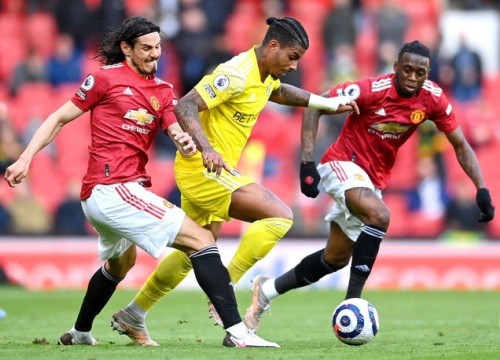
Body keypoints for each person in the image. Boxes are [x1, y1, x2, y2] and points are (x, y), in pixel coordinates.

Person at [4, 16, 279, 348]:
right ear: (126, 48)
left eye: (158, 48)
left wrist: (185, 141)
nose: (154, 55)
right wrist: (25, 157)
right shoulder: (104, 79)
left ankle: (79, 332)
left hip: (119, 192)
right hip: (110, 188)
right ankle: (238, 332)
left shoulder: (162, 90)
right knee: (202, 239)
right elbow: (58, 118)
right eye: (146, 48)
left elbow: (173, 126)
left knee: (121, 264)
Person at [112, 16, 357, 345]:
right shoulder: (235, 74)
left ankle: (134, 313)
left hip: (209, 171)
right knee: (280, 215)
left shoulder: (264, 73)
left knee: (193, 250)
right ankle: (224, 288)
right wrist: (208, 148)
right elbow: (185, 105)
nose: (295, 65)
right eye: (292, 57)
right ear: (272, 46)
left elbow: (278, 91)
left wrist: (323, 102)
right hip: (205, 170)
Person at [244, 40, 495, 331]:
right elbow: (315, 107)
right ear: (396, 67)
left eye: (420, 73)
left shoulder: (433, 99)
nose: (413, 78)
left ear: (428, 73)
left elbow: (461, 144)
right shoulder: (369, 90)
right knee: (380, 216)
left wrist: (481, 188)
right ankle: (353, 304)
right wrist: (307, 163)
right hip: (342, 163)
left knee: (335, 258)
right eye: (408, 70)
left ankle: (266, 291)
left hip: (371, 179)